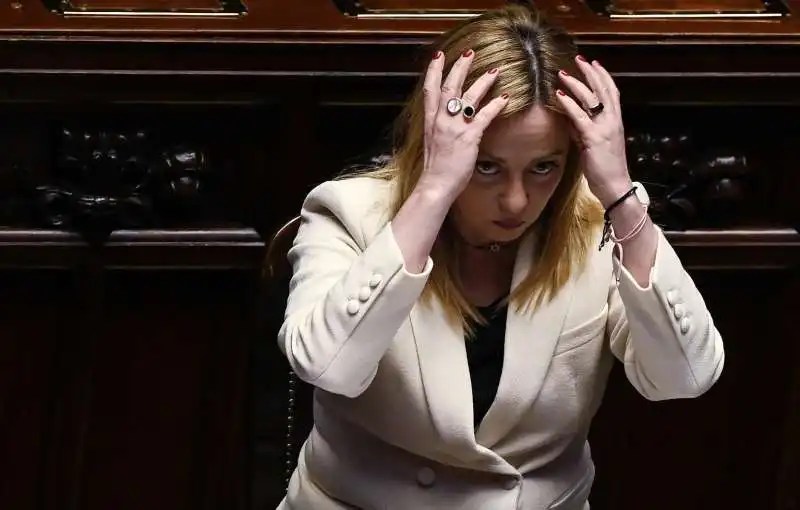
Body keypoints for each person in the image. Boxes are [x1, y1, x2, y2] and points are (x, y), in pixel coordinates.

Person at [276, 4, 724, 509]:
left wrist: (620, 195)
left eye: (543, 167)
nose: (516, 202)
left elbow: (684, 377)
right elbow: (327, 366)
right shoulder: (348, 212)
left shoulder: (600, 225)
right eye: (487, 167)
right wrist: (434, 192)